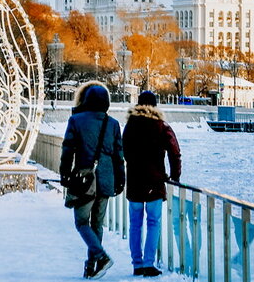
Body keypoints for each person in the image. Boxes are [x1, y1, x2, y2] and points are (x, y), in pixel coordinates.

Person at [60, 81, 124, 279]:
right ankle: (91, 267)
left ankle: (101, 257)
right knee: (97, 224)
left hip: (84, 179)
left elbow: (68, 149)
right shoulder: (112, 123)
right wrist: (120, 180)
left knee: (81, 222)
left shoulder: (77, 121)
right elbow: (118, 155)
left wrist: (64, 173)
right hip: (105, 179)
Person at [123, 90, 182, 277]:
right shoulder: (161, 126)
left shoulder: (129, 126)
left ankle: (137, 264)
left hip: (134, 180)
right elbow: (175, 153)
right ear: (155, 106)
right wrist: (174, 177)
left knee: (135, 223)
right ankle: (149, 263)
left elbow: (123, 151)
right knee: (153, 222)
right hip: (154, 182)